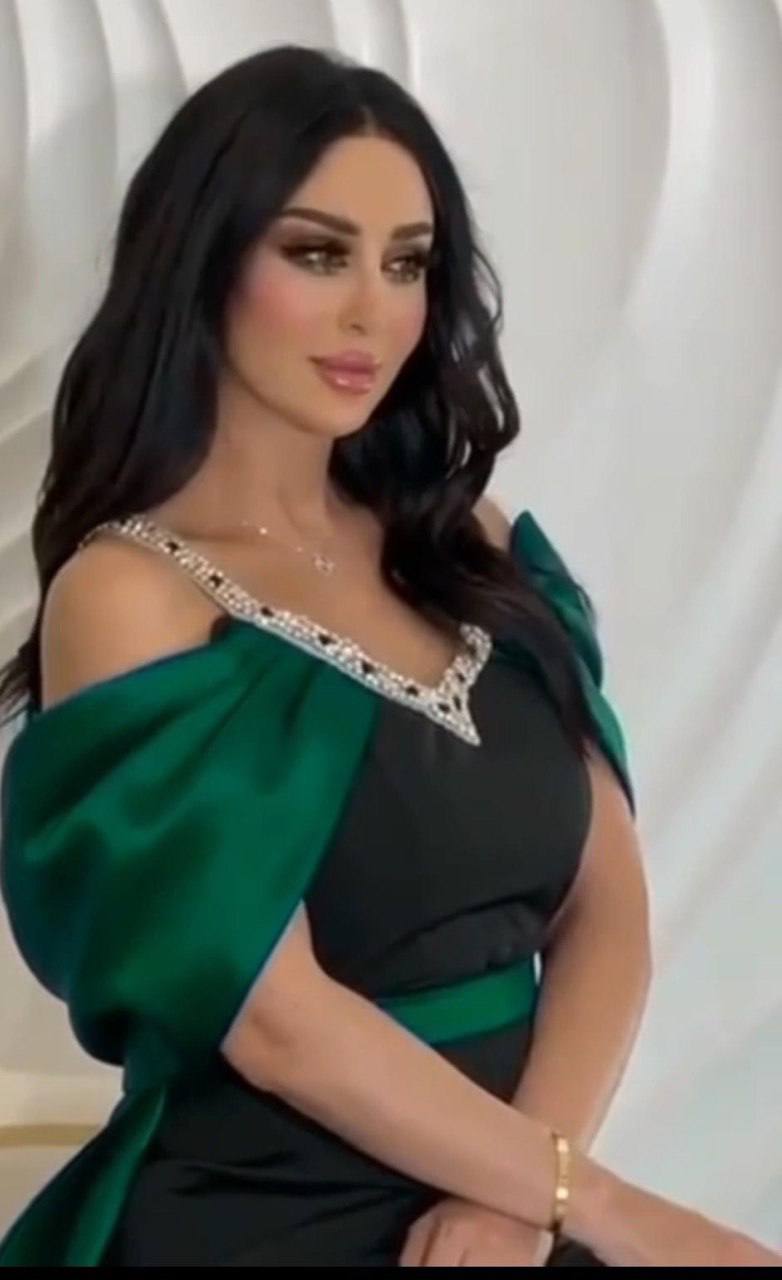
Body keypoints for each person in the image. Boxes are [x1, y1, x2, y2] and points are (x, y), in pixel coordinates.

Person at [0, 43, 778, 1270]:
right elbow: (276, 1023)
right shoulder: (130, 595)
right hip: (261, 1215)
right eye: (318, 254)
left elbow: (607, 906)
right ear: (203, 261)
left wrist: (528, 1198)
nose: (374, 310)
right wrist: (618, 1211)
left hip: (497, 1216)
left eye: (406, 262)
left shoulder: (469, 543)